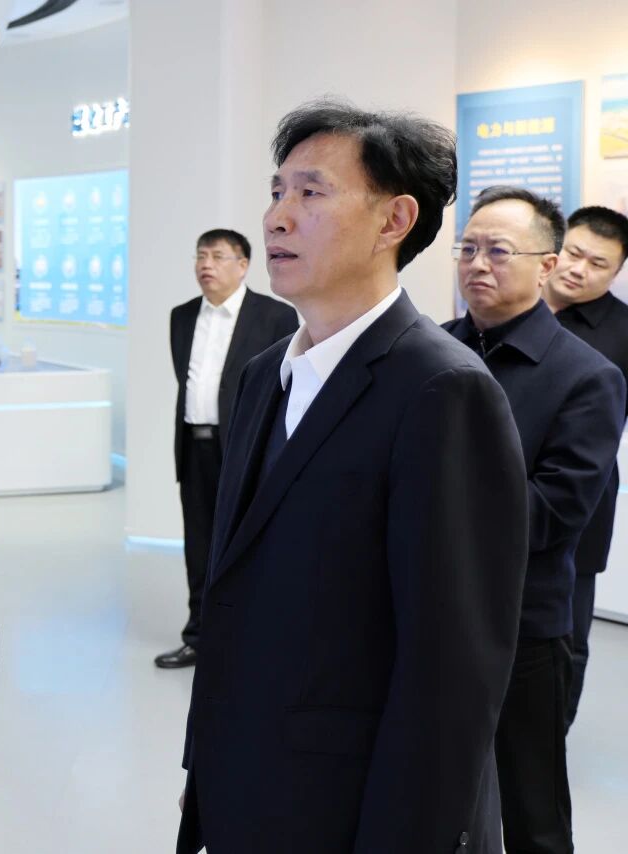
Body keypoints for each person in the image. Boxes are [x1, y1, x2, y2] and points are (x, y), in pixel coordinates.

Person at [177, 101, 529, 854]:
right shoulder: (263, 375)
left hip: (353, 806)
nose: (277, 217)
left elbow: (451, 669)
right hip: (246, 785)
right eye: (277, 191)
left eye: (311, 192)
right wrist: (206, 768)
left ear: (394, 220)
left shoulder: (441, 389)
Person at [445, 187, 625, 854]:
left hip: (521, 624)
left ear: (546, 265)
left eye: (498, 251)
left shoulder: (587, 376)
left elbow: (555, 513)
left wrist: (440, 497)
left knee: (533, 812)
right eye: (468, 248)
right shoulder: (430, 350)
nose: (477, 264)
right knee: (430, 795)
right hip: (427, 614)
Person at [156, 229, 297, 669]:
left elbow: (286, 388)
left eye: (218, 256)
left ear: (243, 265)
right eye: (201, 256)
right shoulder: (181, 316)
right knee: (198, 545)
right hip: (194, 446)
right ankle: (200, 636)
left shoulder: (275, 317)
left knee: (250, 544)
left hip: (246, 448)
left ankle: (251, 638)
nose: (206, 265)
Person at [541, 205, 628, 730]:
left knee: (566, 633)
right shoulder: (511, 303)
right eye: (574, 253)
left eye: (598, 264)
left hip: (580, 500)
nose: (578, 269)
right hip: (493, 491)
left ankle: (550, 739)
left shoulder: (623, 331)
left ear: (617, 272)